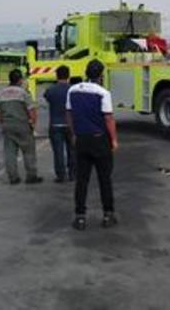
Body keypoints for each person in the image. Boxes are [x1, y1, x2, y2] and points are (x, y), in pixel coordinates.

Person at [66, 59, 118, 231]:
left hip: (81, 139)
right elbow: (108, 119)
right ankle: (108, 215)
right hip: (99, 140)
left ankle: (80, 217)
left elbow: (69, 114)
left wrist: (74, 134)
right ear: (101, 75)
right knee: (105, 180)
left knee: (82, 180)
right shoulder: (103, 93)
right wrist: (114, 140)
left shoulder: (72, 90)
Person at [0, 69, 42, 185]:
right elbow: (32, 110)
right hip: (22, 124)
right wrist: (32, 125)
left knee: (10, 152)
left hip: (7, 125)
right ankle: (31, 176)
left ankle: (13, 177)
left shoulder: (1, 93)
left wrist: (3, 123)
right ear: (20, 80)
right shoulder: (23, 93)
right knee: (28, 151)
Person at [43, 65, 76, 182]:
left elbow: (47, 98)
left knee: (58, 151)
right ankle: (73, 174)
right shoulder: (73, 90)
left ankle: (60, 175)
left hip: (55, 124)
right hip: (70, 124)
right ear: (69, 75)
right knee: (72, 150)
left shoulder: (51, 90)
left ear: (56, 75)